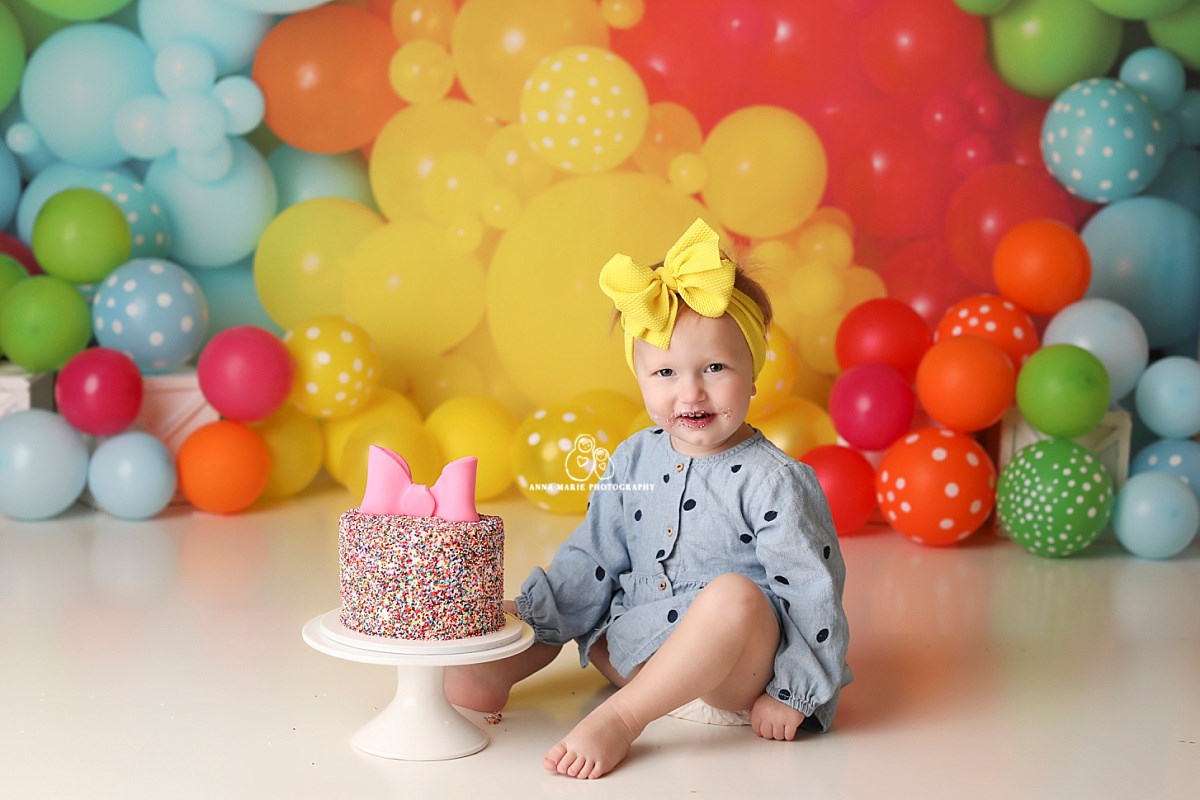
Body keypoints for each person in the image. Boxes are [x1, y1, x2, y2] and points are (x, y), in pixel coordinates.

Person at [445, 218, 851, 779]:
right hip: (634, 650)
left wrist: (794, 693)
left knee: (734, 598)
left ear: (754, 371)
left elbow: (812, 593)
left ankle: (622, 719)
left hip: (728, 676)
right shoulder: (635, 456)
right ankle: (496, 670)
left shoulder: (775, 480)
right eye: (665, 372)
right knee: (565, 587)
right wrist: (530, 622)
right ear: (639, 378)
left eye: (715, 368)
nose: (691, 392)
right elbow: (594, 555)